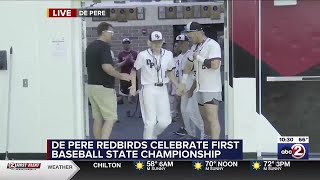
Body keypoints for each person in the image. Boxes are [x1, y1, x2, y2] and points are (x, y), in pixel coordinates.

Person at [129, 31, 184, 139]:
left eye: (159, 42)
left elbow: (169, 71)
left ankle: (152, 135)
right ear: (149, 42)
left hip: (162, 88)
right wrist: (134, 86)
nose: (157, 44)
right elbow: (134, 69)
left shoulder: (168, 54)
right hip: (148, 88)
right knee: (150, 122)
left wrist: (177, 85)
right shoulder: (143, 55)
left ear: (163, 41)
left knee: (165, 121)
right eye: (154, 42)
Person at [86, 22, 131, 139]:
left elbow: (96, 66)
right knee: (111, 118)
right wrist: (122, 76)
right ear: (103, 32)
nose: (113, 35)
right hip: (104, 88)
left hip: (91, 87)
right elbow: (106, 67)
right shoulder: (104, 46)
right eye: (111, 32)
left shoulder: (90, 47)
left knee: (98, 118)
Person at [182, 22, 222, 139]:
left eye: (189, 35)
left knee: (212, 119)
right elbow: (192, 68)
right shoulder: (195, 46)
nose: (188, 38)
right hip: (199, 88)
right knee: (204, 120)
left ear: (196, 32)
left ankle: (215, 148)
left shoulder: (212, 45)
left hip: (211, 88)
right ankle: (208, 144)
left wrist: (198, 57)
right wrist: (188, 87)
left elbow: (215, 64)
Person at [172, 34, 192, 136]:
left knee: (192, 112)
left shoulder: (191, 54)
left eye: (183, 42)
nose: (181, 45)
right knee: (182, 110)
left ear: (187, 43)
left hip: (190, 87)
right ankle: (187, 131)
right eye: (179, 43)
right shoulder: (178, 57)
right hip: (181, 87)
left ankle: (199, 134)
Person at [116, 38, 138, 117]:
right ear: (123, 44)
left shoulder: (135, 53)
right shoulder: (120, 54)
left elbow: (138, 65)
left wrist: (131, 60)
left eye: (128, 43)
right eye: (125, 43)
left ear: (130, 44)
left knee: (134, 94)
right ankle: (127, 110)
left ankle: (135, 105)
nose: (126, 45)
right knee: (124, 95)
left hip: (133, 76)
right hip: (124, 76)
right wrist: (126, 61)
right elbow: (118, 65)